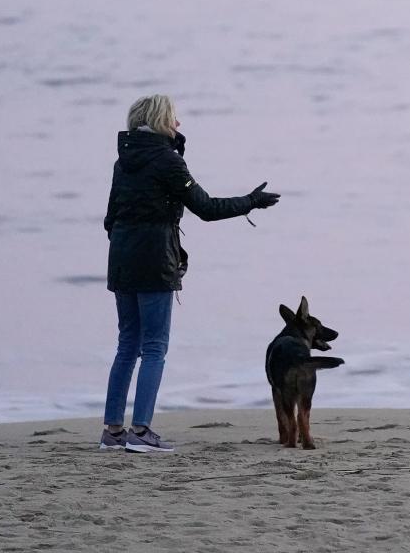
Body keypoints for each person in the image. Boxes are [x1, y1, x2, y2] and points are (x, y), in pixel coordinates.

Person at [99, 95, 280, 453]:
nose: (179, 124)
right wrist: (251, 202)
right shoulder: (166, 161)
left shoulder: (124, 162)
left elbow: (110, 217)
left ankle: (113, 431)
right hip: (154, 263)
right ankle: (142, 432)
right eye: (174, 118)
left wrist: (130, 243)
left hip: (121, 258)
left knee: (127, 345)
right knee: (154, 347)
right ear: (160, 119)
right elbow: (207, 208)